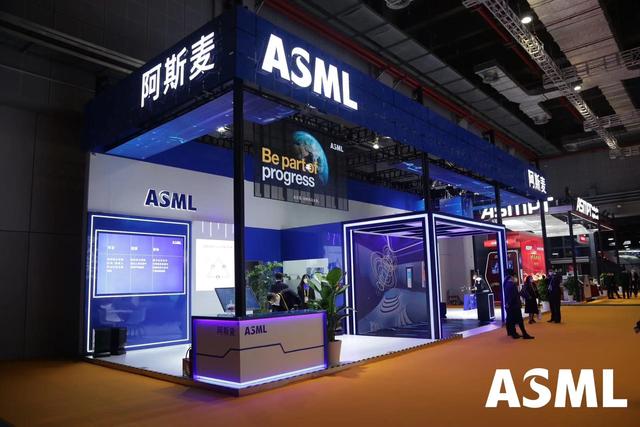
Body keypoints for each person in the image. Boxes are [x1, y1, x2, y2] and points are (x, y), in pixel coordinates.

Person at [504, 269, 534, 339]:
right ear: (512, 276)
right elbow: (513, 296)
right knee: (520, 320)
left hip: (510, 305)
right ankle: (524, 334)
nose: (516, 278)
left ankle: (513, 333)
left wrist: (508, 304)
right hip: (514, 305)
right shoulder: (512, 284)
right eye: (515, 276)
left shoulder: (505, 283)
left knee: (511, 319)